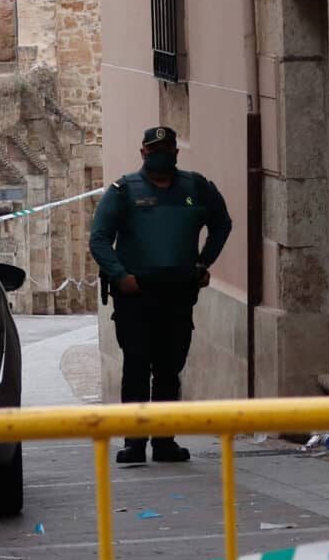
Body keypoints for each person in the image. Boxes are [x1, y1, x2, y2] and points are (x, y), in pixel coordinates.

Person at [89, 125, 234, 466]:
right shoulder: (123, 191)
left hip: (178, 294)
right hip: (136, 296)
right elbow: (99, 238)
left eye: (167, 149)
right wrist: (120, 276)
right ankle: (135, 443)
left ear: (176, 153)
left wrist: (203, 261)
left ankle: (165, 441)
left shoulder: (196, 188)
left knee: (170, 369)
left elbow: (222, 223)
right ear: (143, 153)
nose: (161, 155)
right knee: (137, 368)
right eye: (154, 150)